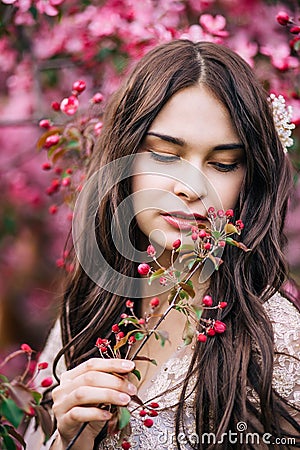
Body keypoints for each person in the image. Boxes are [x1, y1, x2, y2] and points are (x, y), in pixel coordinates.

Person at [26, 39, 300, 450]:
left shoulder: (275, 346)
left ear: (251, 179)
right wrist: (69, 440)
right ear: (126, 156)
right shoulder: (87, 306)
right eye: (165, 155)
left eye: (222, 164)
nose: (191, 187)